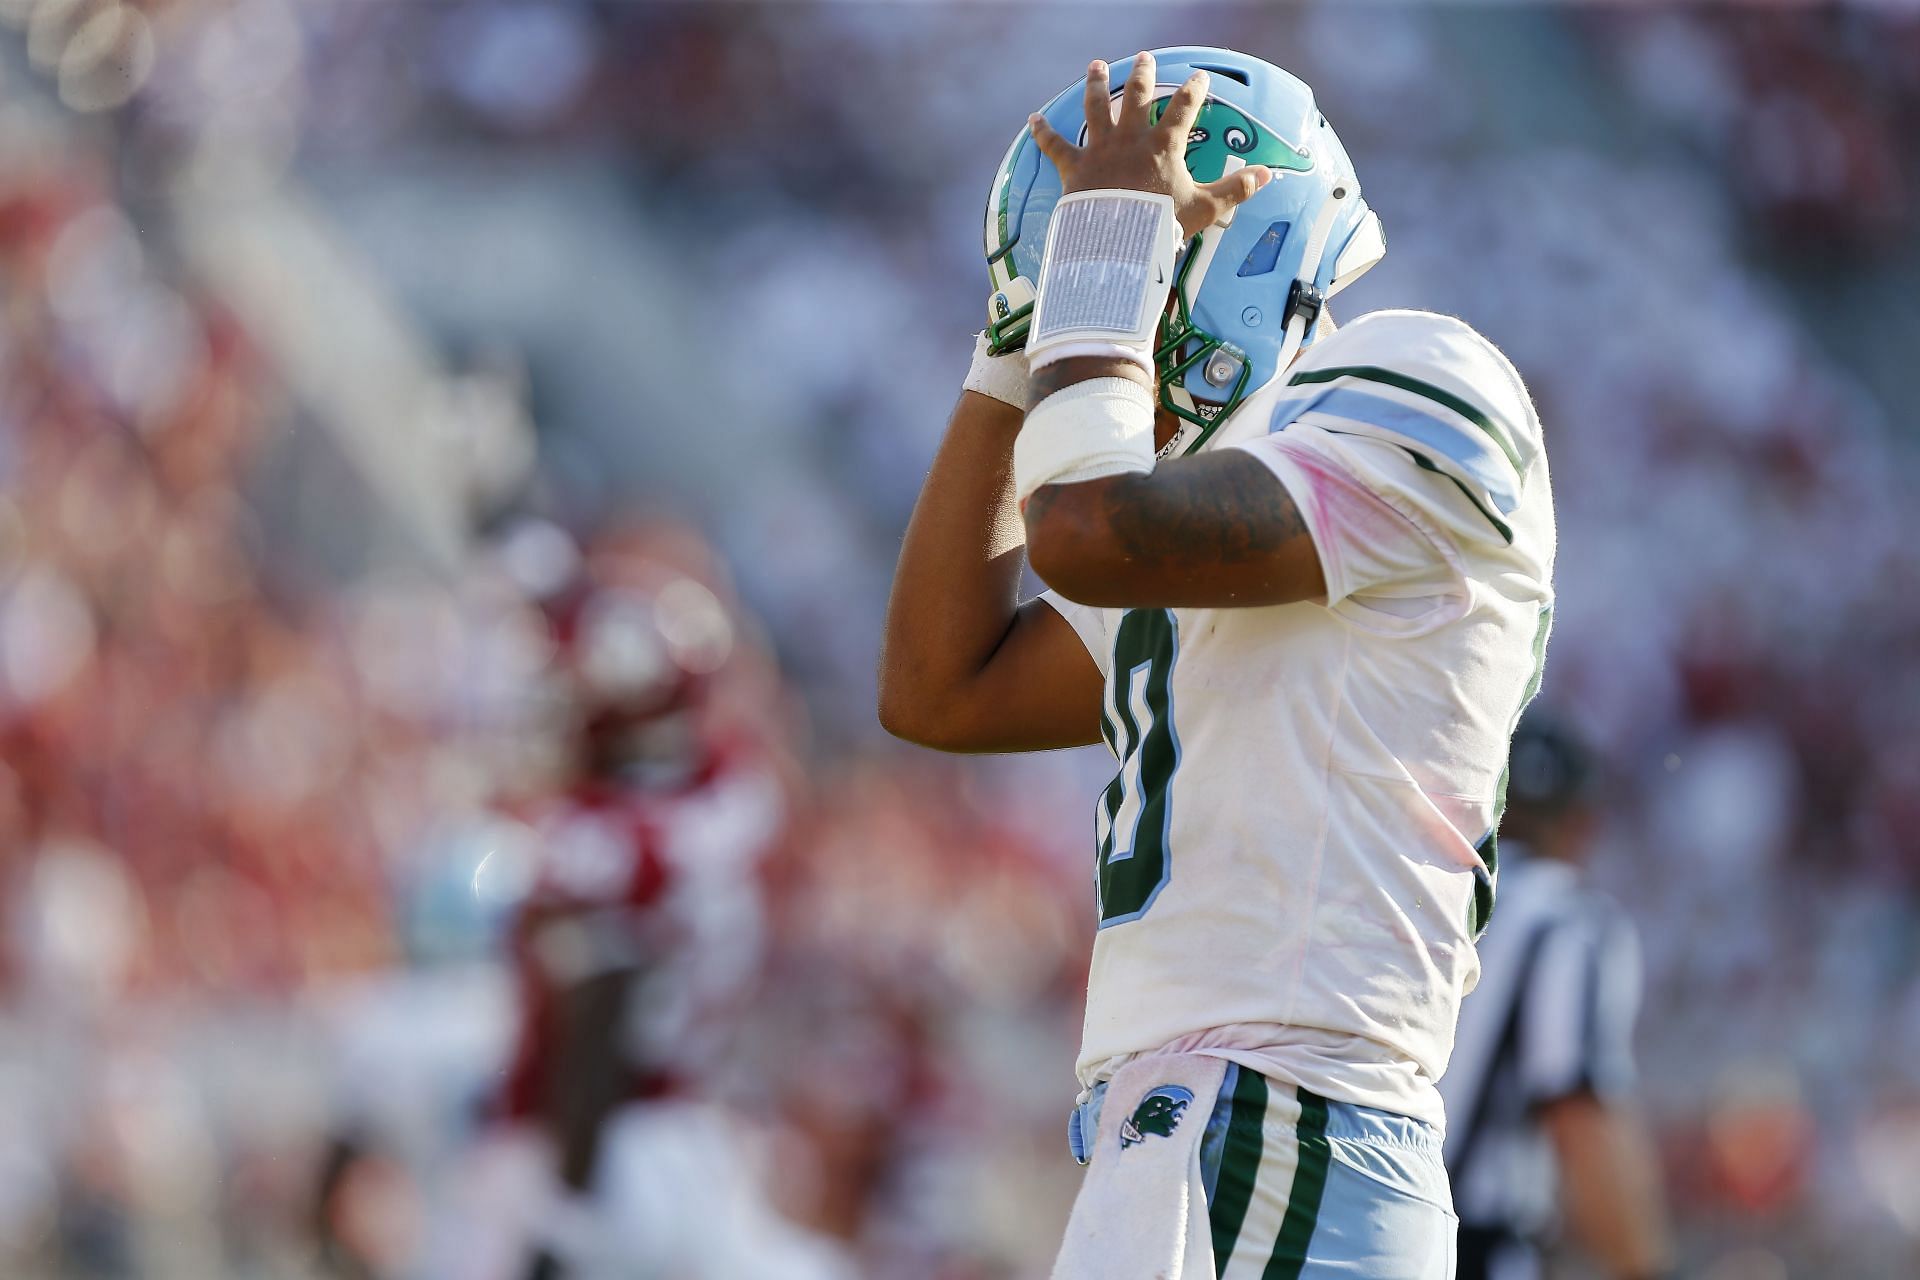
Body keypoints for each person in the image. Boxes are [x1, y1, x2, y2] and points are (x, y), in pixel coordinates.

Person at [879, 46, 1555, 1277]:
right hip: (1211, 1121)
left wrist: (1103, 258)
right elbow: (939, 683)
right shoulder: (1205, 507)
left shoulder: (1418, 377)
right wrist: (1013, 341)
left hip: (1281, 1108)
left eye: (1130, 260)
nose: (1109, 291)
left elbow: (1083, 532)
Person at [1440, 714, 1675, 1280]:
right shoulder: (1568, 925)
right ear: (1580, 824)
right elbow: (1579, 1116)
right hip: (1469, 1245)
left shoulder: (1410, 895)